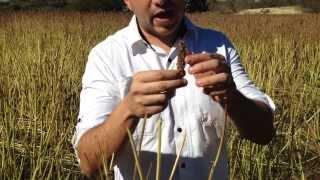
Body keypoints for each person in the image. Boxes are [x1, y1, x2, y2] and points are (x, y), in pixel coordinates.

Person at [72, 0, 275, 179]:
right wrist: (128, 110)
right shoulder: (107, 56)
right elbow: (89, 164)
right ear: (128, 1)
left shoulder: (218, 45)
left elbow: (264, 133)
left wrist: (231, 96)